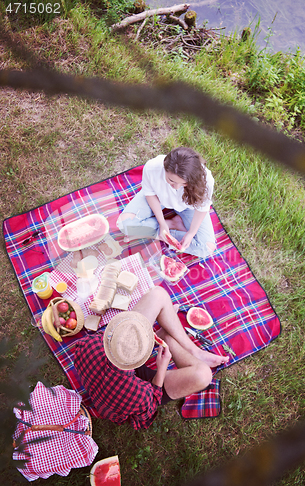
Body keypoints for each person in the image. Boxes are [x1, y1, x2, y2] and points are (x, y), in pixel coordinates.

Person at [74, 287, 229, 430]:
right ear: (143, 355)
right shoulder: (138, 395)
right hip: (135, 388)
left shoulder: (88, 344)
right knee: (203, 375)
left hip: (116, 368)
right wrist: (161, 368)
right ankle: (167, 338)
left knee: (158, 294)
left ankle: (192, 350)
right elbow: (151, 404)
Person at [116, 147, 216, 258]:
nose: (177, 187)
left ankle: (153, 231)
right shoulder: (152, 167)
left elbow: (202, 208)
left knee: (207, 248)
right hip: (159, 198)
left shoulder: (206, 179)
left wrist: (191, 233)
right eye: (171, 180)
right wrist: (162, 223)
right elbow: (150, 194)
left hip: (188, 207)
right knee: (123, 223)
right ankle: (170, 225)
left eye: (184, 183)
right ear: (164, 167)